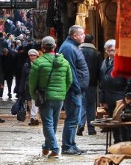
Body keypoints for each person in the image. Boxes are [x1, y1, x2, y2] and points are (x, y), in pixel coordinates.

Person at [29, 36, 73, 157]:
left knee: (47, 123)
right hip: (59, 98)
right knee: (53, 123)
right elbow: (69, 80)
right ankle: (47, 146)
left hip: (45, 97)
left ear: (42, 48)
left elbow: (32, 83)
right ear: (54, 47)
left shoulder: (39, 63)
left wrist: (35, 96)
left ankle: (54, 147)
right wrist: (62, 92)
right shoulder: (65, 62)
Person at [57, 25, 89, 155]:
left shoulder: (71, 46)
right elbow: (70, 71)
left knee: (74, 118)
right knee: (72, 118)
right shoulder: (69, 48)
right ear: (75, 35)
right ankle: (67, 146)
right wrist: (76, 88)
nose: (84, 36)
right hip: (73, 91)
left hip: (76, 90)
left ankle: (71, 144)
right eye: (82, 34)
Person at [99, 40, 131, 142]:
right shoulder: (104, 62)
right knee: (113, 121)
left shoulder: (122, 62)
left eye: (112, 50)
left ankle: (126, 141)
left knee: (123, 120)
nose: (110, 53)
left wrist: (128, 93)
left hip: (120, 94)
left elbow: (129, 78)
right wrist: (102, 98)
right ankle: (117, 141)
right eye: (108, 51)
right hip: (109, 95)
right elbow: (102, 81)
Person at [79, 34, 103, 136]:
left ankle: (80, 124)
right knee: (91, 105)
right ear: (92, 41)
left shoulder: (78, 51)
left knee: (82, 104)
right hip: (92, 83)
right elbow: (100, 70)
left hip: (80, 82)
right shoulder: (97, 53)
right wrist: (100, 82)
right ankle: (91, 128)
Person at [17, 48, 41, 125]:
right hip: (28, 87)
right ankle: (34, 118)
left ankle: (34, 118)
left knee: (36, 102)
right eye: (30, 55)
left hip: (38, 87)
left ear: (37, 56)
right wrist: (20, 89)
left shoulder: (40, 65)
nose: (32, 57)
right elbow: (23, 78)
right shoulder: (26, 65)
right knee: (30, 103)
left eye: (33, 55)